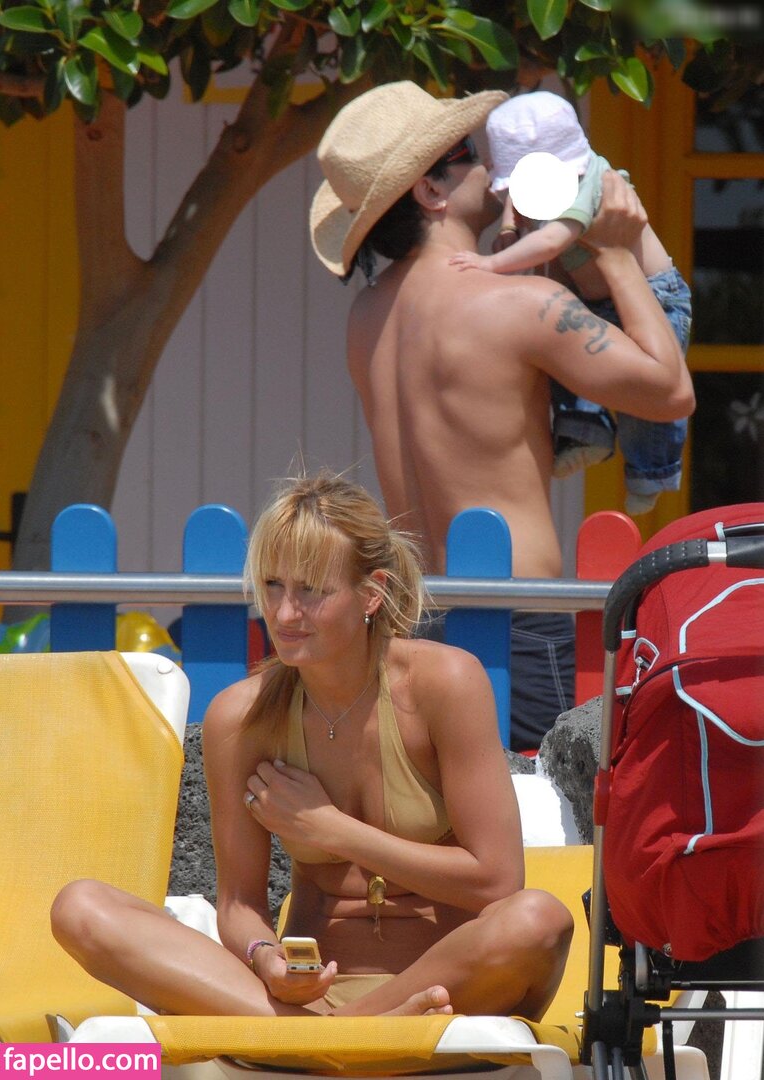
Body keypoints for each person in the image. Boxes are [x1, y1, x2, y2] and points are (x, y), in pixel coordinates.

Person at [51, 472, 574, 1020]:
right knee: (81, 907)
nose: (283, 614)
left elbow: (497, 882)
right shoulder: (242, 718)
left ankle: (336, 1037)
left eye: (312, 591)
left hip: (443, 991)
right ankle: (342, 1037)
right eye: (273, 585)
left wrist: (333, 830)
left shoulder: (444, 684)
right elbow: (239, 904)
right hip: (302, 1002)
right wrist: (265, 956)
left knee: (538, 919)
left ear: (371, 593)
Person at [309, 81, 694, 750]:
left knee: (442, 807)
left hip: (417, 617)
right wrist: (612, 251)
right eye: (468, 152)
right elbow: (669, 392)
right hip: (517, 623)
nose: (489, 163)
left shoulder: (367, 315)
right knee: (542, 809)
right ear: (431, 191)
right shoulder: (515, 305)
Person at [449, 92, 693, 514]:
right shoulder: (548, 180)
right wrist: (508, 228)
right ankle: (585, 433)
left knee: (646, 407)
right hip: (593, 297)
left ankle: (651, 471)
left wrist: (491, 263)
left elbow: (552, 241)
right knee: (564, 360)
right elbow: (516, 204)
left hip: (655, 296)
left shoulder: (590, 182)